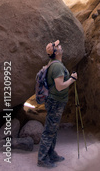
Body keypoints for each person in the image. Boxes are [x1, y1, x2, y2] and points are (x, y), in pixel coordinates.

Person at [37, 40, 78, 168]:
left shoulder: (55, 64)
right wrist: (72, 79)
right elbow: (60, 86)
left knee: (53, 129)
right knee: (50, 130)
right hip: (56, 101)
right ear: (56, 52)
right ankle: (42, 159)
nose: (60, 46)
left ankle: (51, 153)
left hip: (56, 101)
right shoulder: (57, 66)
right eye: (58, 46)